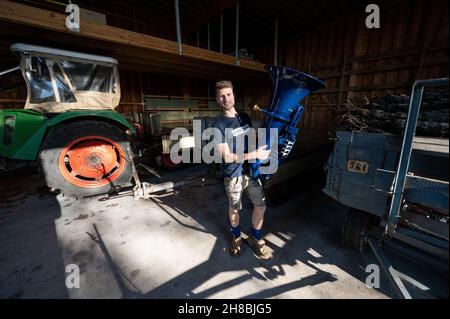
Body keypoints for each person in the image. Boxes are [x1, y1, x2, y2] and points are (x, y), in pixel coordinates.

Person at [213, 80, 271, 258]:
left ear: (234, 95)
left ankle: (255, 238)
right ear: (217, 100)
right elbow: (227, 156)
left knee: (260, 206)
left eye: (228, 94)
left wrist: (262, 150)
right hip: (233, 175)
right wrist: (254, 155)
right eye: (222, 96)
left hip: (251, 172)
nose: (226, 98)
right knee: (235, 208)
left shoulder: (244, 118)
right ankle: (237, 237)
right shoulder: (218, 126)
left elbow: (250, 139)